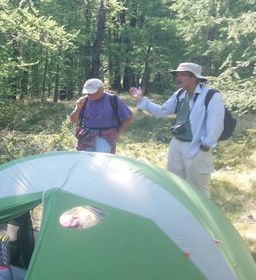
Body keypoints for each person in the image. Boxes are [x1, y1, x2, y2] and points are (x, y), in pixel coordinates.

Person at [129, 62, 225, 197]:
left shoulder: (212, 95)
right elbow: (162, 111)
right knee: (175, 183)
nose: (178, 78)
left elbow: (215, 124)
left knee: (198, 186)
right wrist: (141, 99)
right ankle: (179, 216)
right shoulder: (180, 93)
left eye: (183, 75)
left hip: (198, 146)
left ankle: (201, 217)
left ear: (194, 78)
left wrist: (205, 145)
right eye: (177, 75)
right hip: (177, 143)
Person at [69, 78, 134, 153]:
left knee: (103, 162)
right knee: (85, 161)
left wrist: (119, 132)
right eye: (88, 93)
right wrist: (78, 107)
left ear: (102, 89)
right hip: (86, 136)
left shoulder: (114, 100)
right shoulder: (84, 101)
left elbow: (129, 117)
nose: (90, 95)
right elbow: (73, 120)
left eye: (93, 93)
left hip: (106, 137)